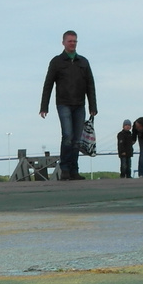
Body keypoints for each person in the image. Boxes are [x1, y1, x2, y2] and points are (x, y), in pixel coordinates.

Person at [39, 30, 98, 181]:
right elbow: (48, 84)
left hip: (79, 105)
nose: (72, 43)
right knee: (67, 136)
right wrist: (44, 106)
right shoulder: (57, 62)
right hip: (64, 103)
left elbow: (90, 84)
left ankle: (74, 170)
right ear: (63, 42)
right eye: (70, 41)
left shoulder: (83, 62)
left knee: (77, 140)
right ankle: (64, 168)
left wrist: (93, 106)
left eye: (75, 41)